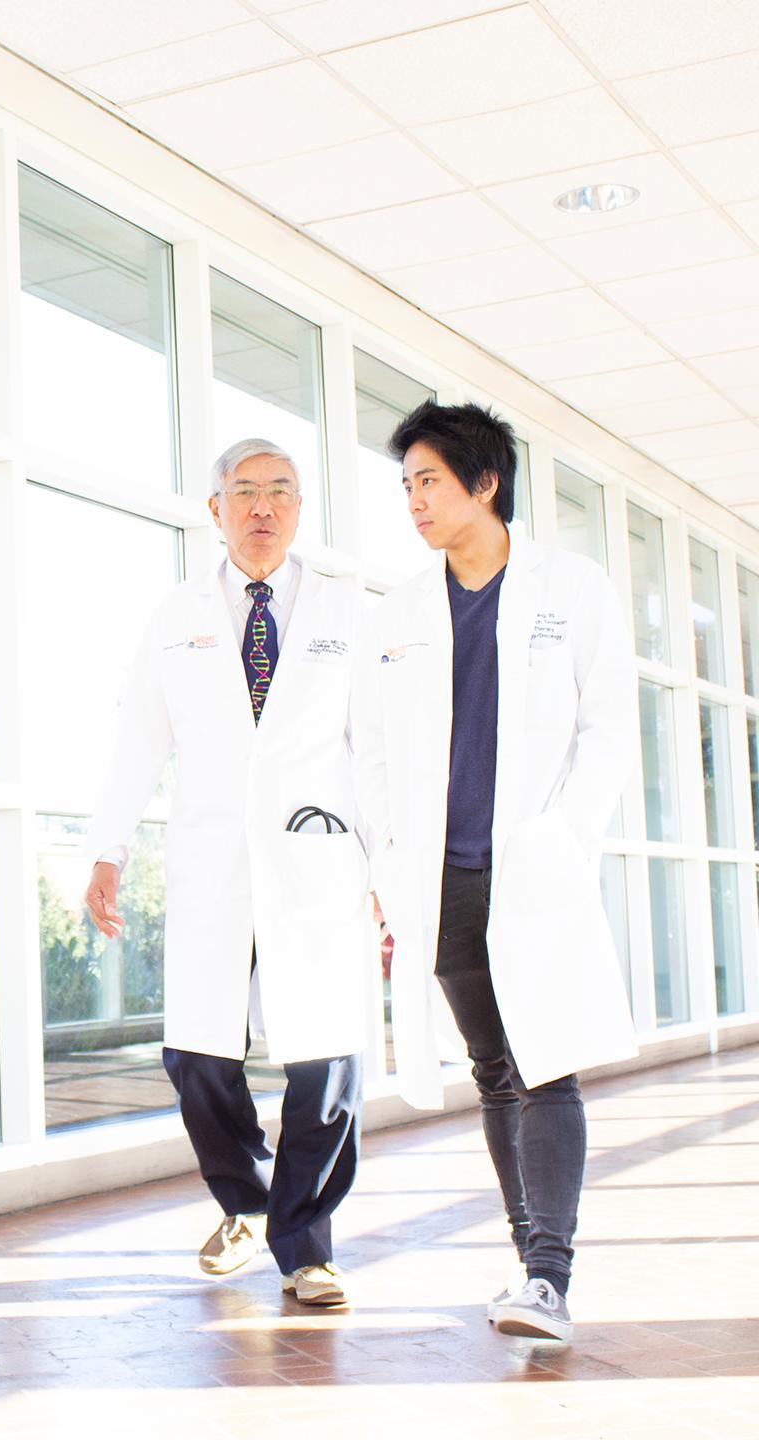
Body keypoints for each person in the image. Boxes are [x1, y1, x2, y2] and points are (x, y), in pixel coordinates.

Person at [352, 400, 638, 1344]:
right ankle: (532, 1269)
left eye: (429, 480)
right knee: (494, 1071)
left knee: (544, 1063)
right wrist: (388, 862)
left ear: (485, 482)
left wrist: (565, 836)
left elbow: (608, 730)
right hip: (440, 881)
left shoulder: (572, 586)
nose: (414, 501)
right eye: (405, 485)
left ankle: (547, 1275)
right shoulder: (399, 607)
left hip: (531, 867)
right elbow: (378, 752)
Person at [85, 438, 373, 1307]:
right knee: (198, 1057)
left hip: (315, 860)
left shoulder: (345, 610)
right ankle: (247, 1203)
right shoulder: (176, 616)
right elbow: (140, 736)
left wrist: (391, 871)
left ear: (299, 509)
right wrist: (108, 847)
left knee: (326, 1062)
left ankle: (308, 1246)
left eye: (280, 492)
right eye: (244, 492)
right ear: (214, 510)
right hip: (215, 861)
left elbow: (380, 749)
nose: (262, 507)